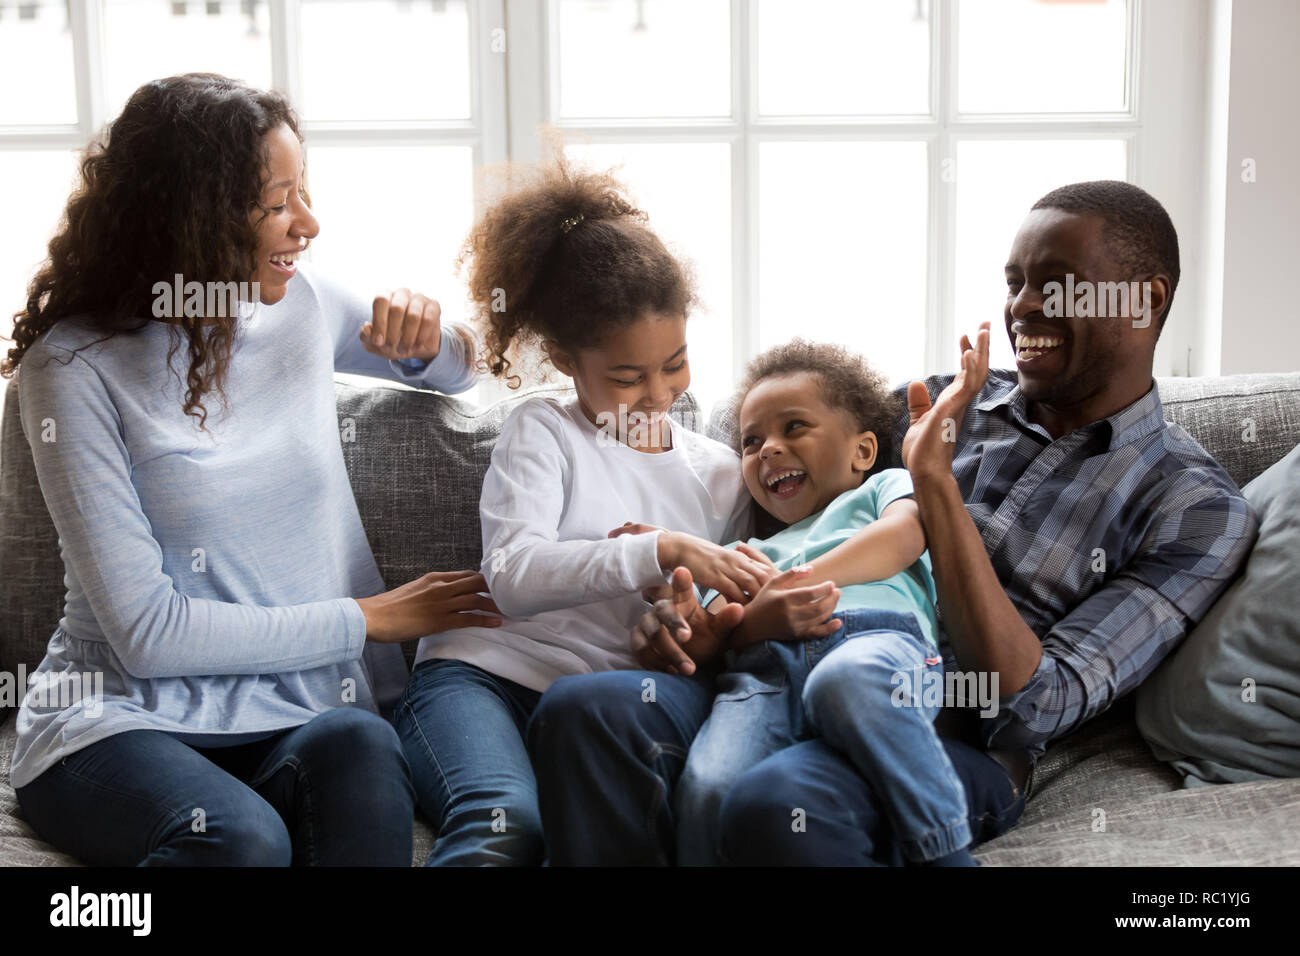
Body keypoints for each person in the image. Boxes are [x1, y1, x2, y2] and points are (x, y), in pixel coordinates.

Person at [527, 180, 1258, 865]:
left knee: (780, 804)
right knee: (587, 709)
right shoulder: (940, 397)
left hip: (950, 728)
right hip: (786, 667)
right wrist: (681, 609)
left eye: (1054, 282)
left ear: (1144, 300)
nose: (1024, 307)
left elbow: (1033, 702)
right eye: (1014, 283)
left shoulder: (1193, 507)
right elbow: (796, 496)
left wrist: (934, 485)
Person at [3, 73, 494, 866]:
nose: (309, 223)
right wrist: (369, 619)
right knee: (240, 840)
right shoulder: (72, 370)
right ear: (191, 217)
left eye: (304, 192)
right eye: (277, 203)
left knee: (363, 749)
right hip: (117, 718)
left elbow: (465, 372)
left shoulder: (297, 306)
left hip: (296, 708)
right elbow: (148, 638)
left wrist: (429, 335)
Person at [393, 157, 769, 865]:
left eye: (676, 363)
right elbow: (513, 575)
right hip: (480, 679)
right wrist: (660, 549)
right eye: (627, 377)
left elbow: (704, 628)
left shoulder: (723, 477)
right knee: (503, 827)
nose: (659, 395)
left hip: (598, 709)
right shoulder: (543, 430)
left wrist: (676, 618)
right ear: (566, 359)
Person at [655, 338, 985, 866]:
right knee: (709, 786)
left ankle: (946, 855)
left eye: (793, 427)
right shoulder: (748, 550)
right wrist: (677, 608)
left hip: (875, 642)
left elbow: (901, 541)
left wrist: (789, 584)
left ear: (863, 451)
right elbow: (716, 629)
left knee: (847, 682)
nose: (767, 449)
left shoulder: (882, 489)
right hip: (764, 676)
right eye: (750, 441)